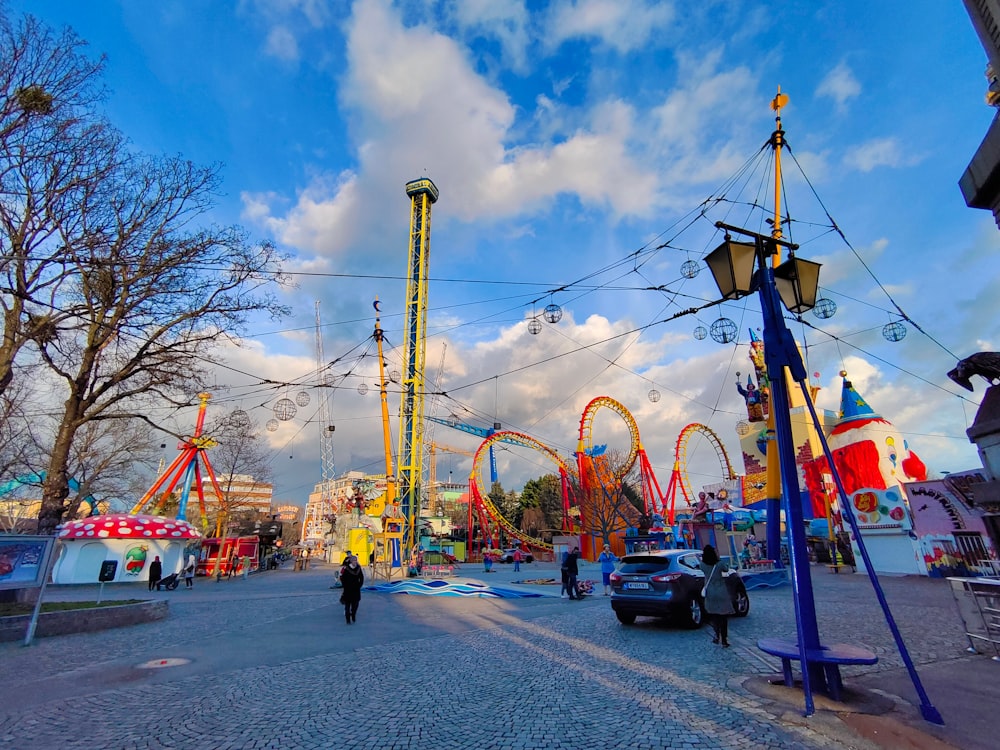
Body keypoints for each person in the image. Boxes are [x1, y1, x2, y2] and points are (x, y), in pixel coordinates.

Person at [699, 544, 734, 647]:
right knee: (723, 617)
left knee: (714, 615)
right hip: (721, 591)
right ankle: (724, 640)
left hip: (710, 591)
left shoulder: (702, 565)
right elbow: (726, 569)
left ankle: (716, 635)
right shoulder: (719, 564)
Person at [340, 554, 364, 624]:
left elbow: (361, 577)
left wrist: (360, 585)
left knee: (355, 604)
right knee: (347, 605)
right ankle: (348, 619)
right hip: (348, 589)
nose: (355, 562)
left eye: (356, 561)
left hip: (356, 589)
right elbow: (342, 578)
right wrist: (345, 586)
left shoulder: (358, 568)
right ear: (351, 561)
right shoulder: (346, 569)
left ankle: (353, 614)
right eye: (353, 561)